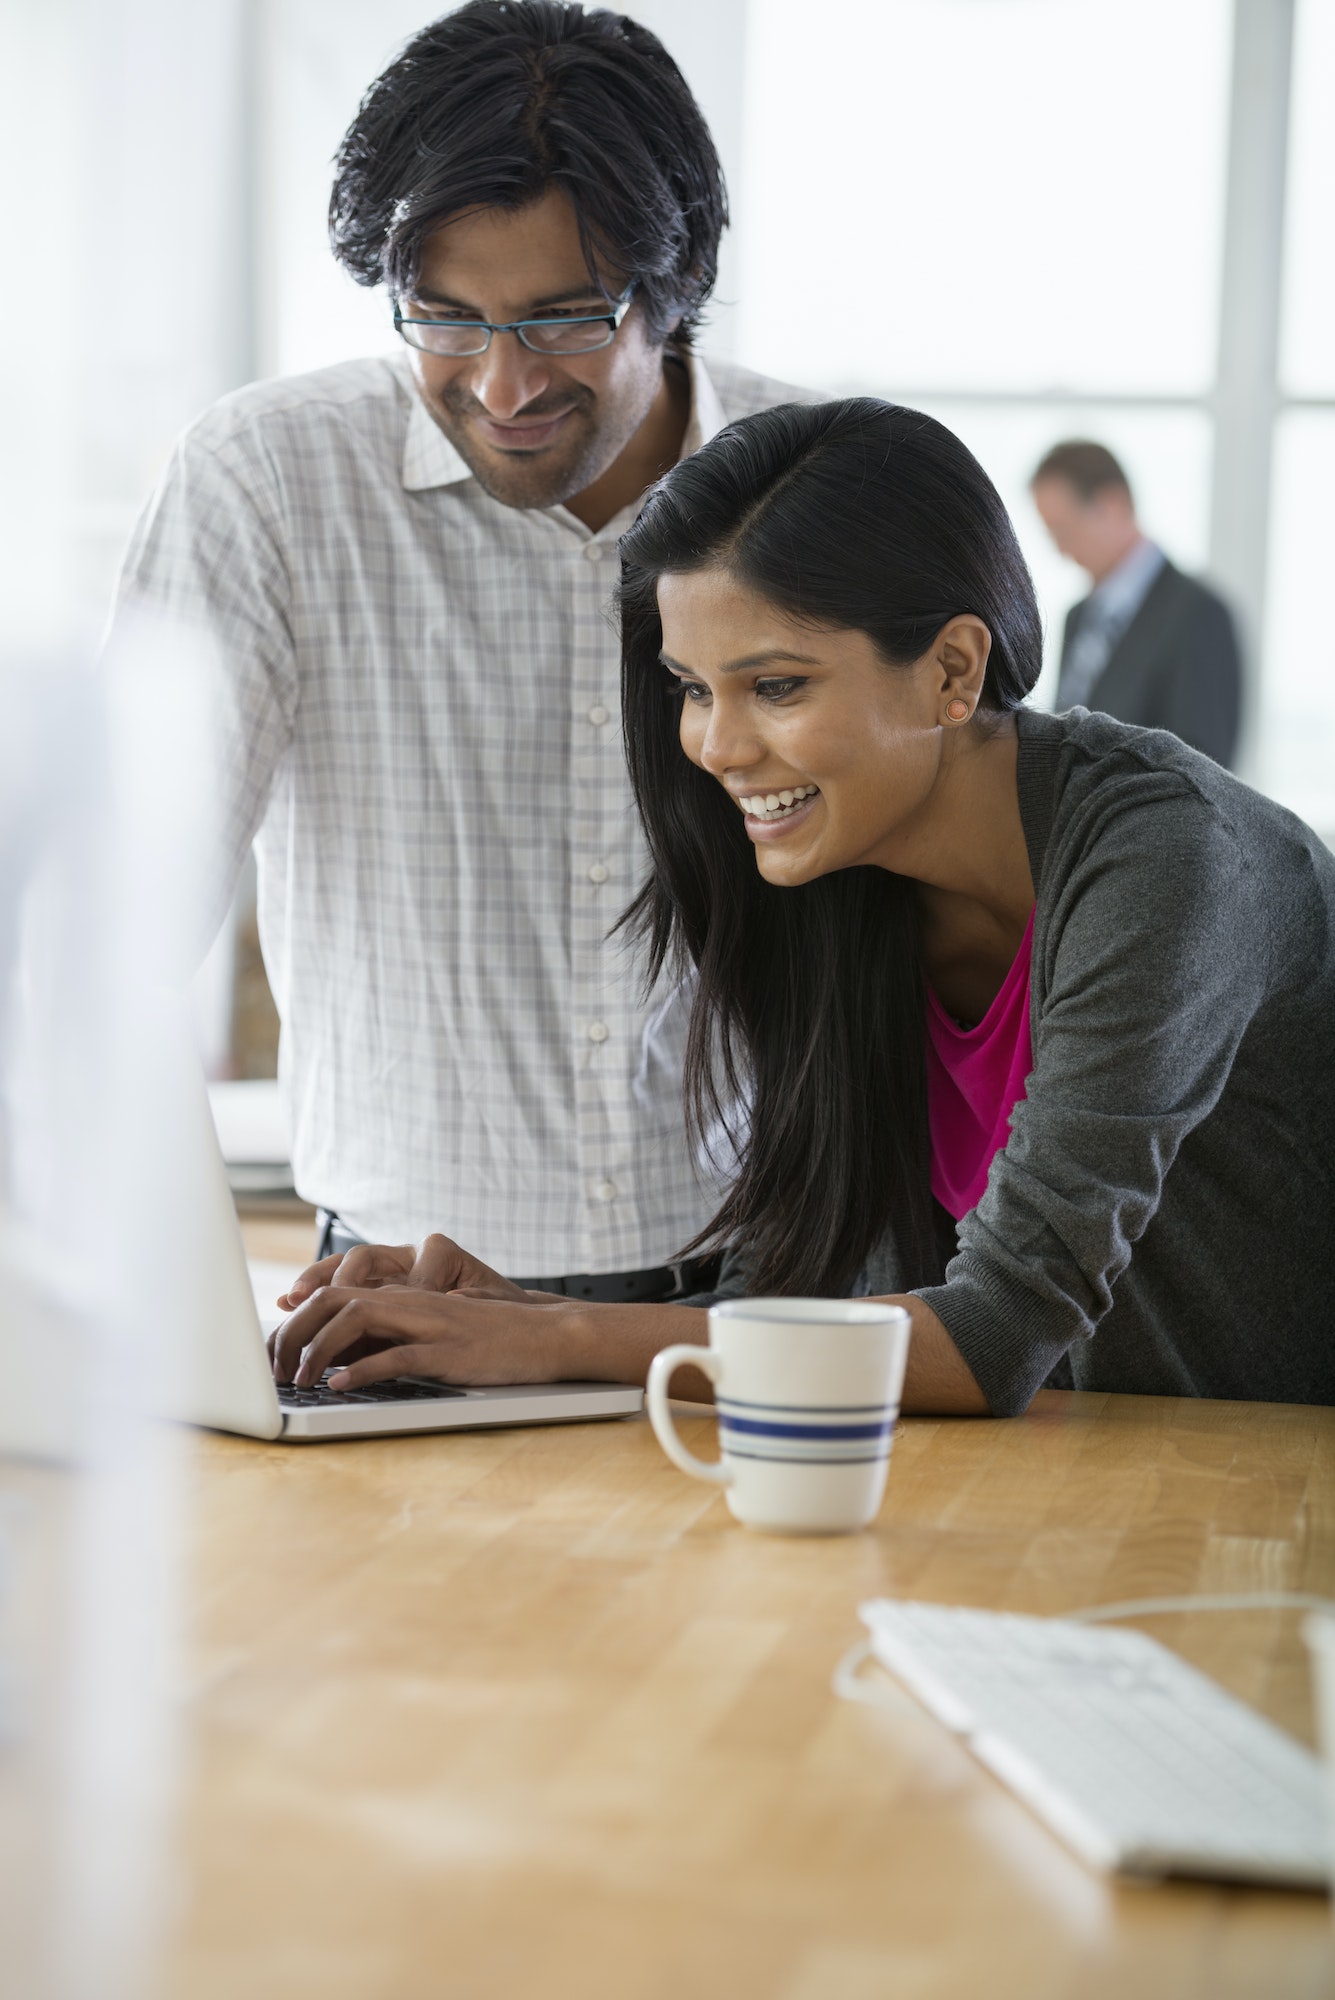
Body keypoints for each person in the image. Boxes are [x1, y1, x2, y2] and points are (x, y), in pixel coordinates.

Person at [267, 399, 1335, 1418]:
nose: (718, 746)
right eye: (693, 686)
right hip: (1027, 1503)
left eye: (776, 686)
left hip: (1239, 1518)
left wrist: (562, 1340)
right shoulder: (842, 879)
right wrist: (520, 1316)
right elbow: (810, 1313)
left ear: (954, 670)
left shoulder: (1173, 861)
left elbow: (992, 1336)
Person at [110, 2, 811, 1302]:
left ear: (672, 293)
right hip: (396, 1307)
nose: (501, 386)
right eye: (445, 318)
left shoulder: (820, 479)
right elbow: (114, 924)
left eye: (560, 319)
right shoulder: (265, 482)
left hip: (773, 1295)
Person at [1030, 440, 1242, 768]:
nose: (1061, 551)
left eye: (1064, 531)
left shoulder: (1198, 614)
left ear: (1113, 505)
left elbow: (1206, 770)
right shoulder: (1078, 617)